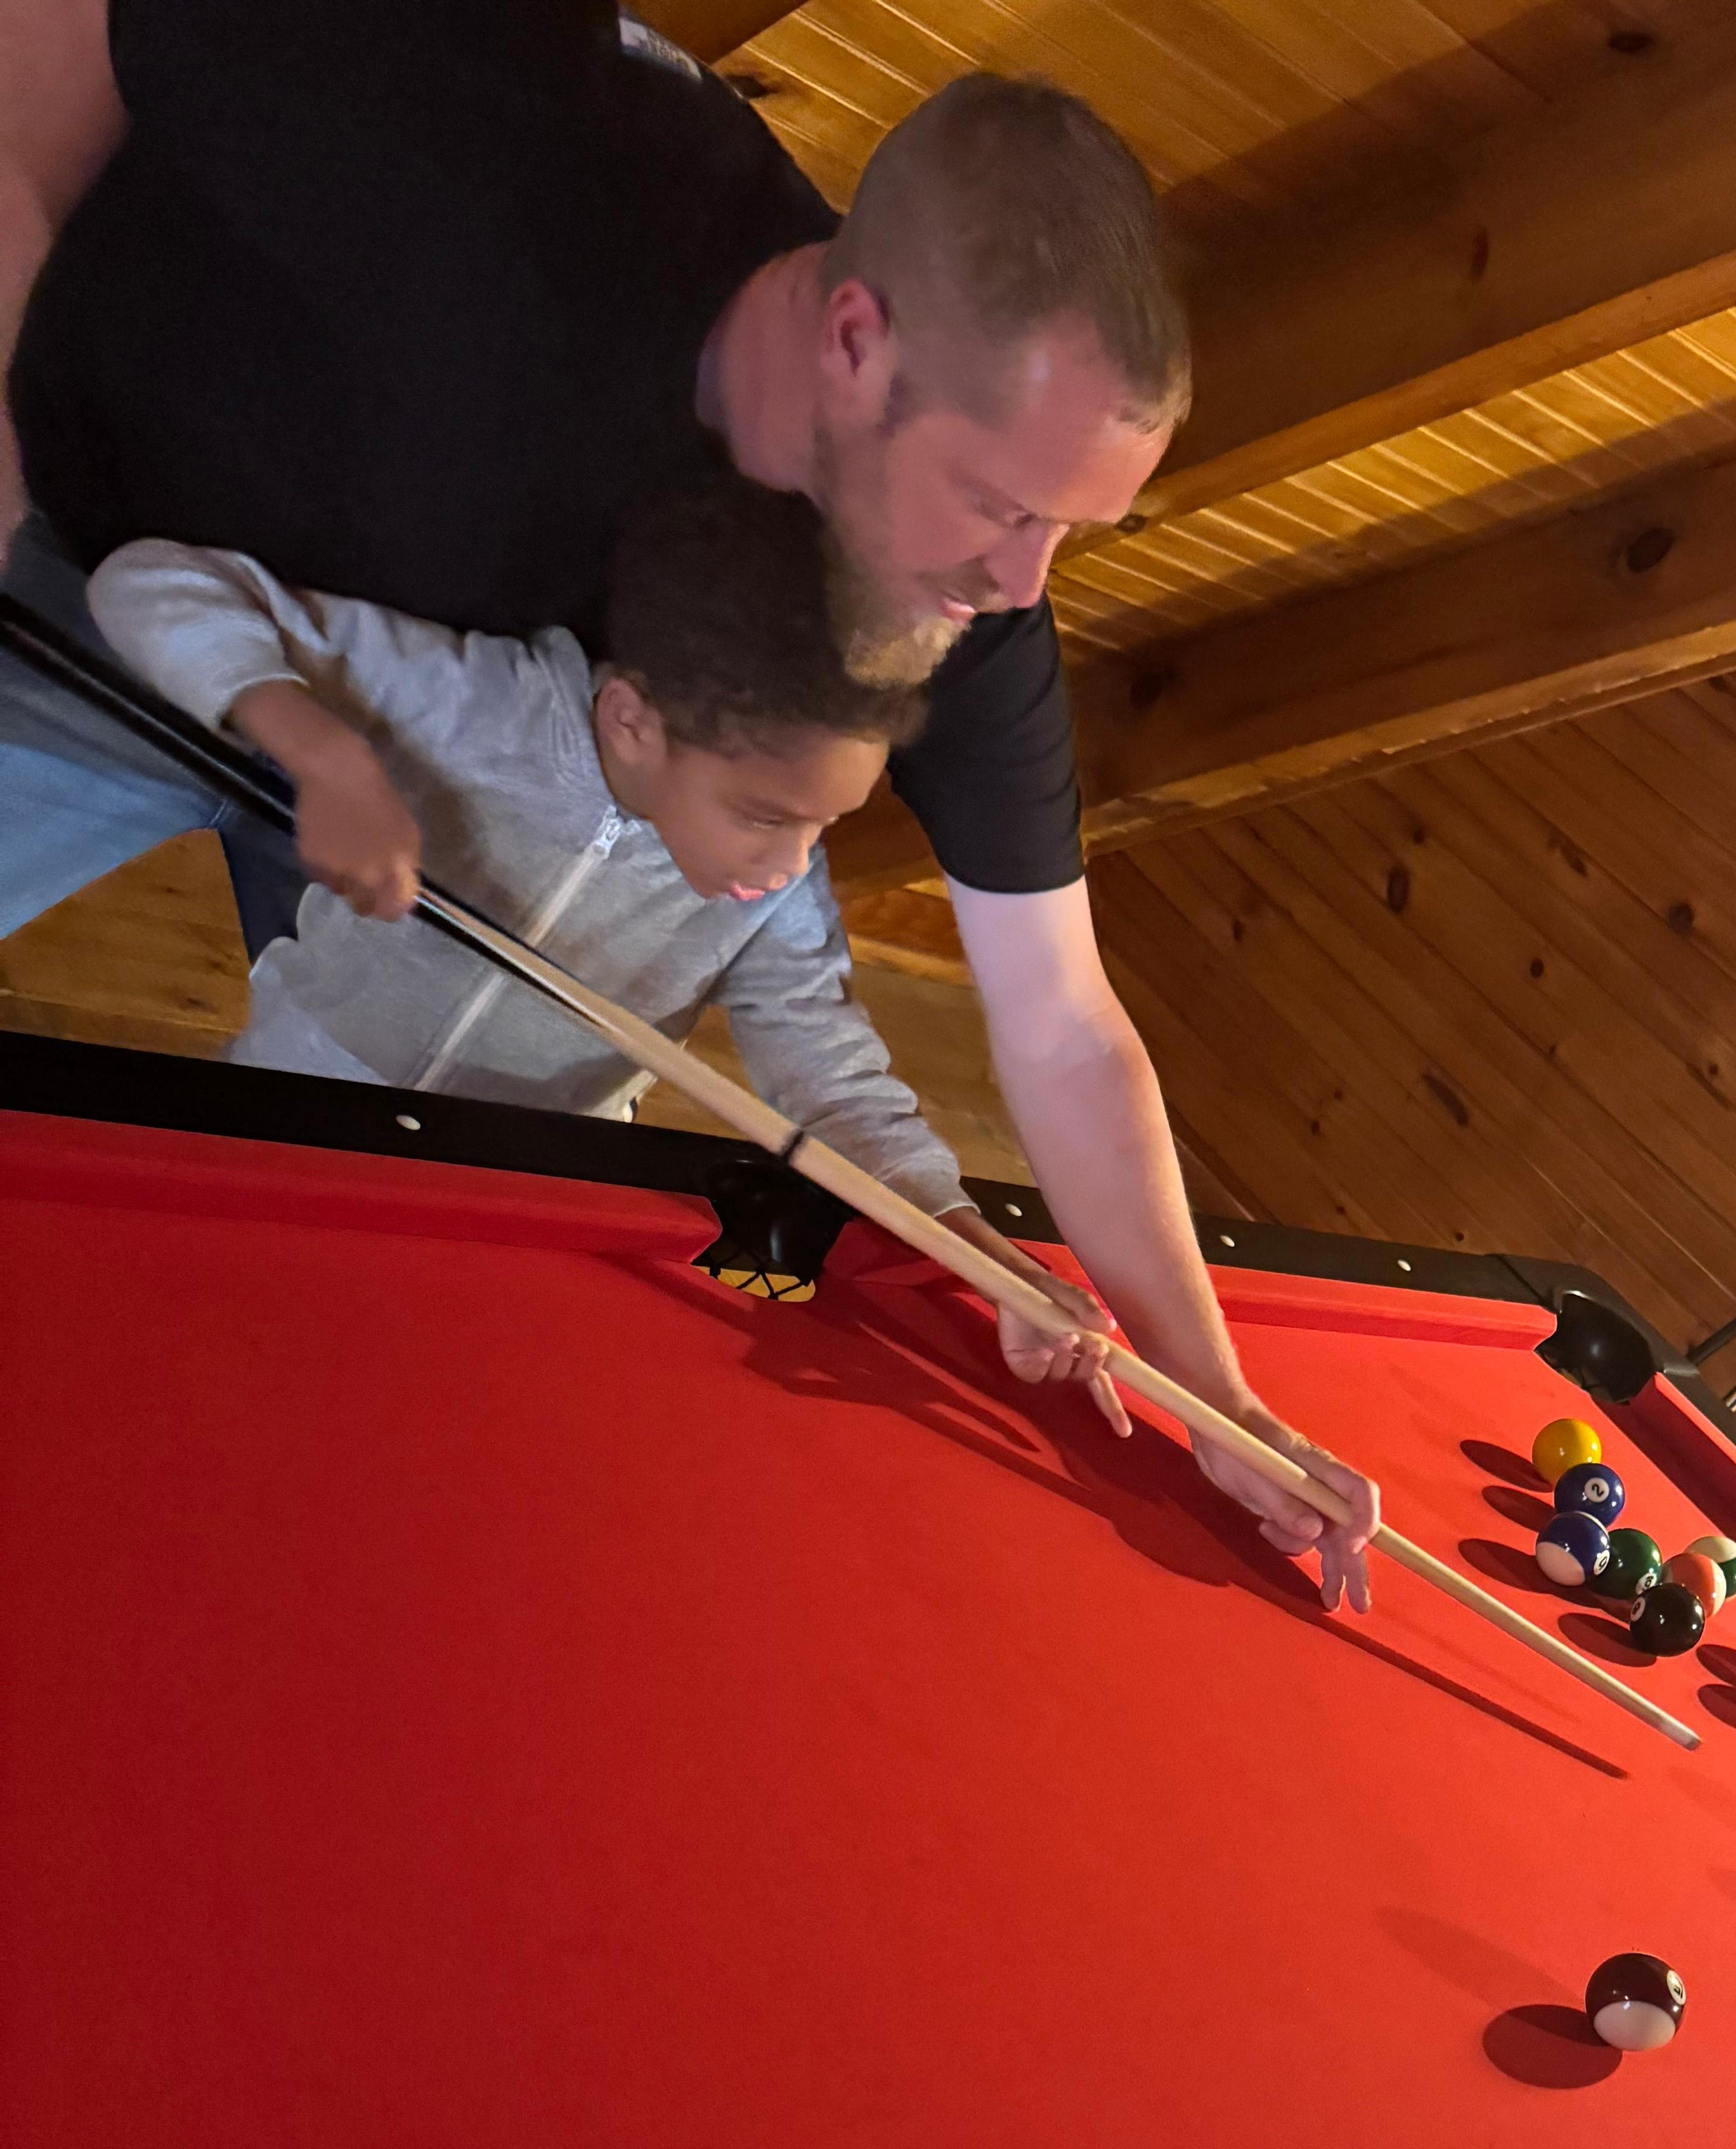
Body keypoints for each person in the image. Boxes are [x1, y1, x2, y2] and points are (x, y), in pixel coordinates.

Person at [0, 9, 1377, 1605]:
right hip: (120, 575)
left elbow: (1059, 1023)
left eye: (1068, 531)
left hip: (449, 760)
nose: (1019, 584)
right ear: (854, 343)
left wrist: (1217, 1394)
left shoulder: (944, 605)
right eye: (1003, 504)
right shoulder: (528, 136)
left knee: (396, 1281)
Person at [85, 477, 1129, 1419]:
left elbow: (839, 1095)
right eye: (763, 813)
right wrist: (324, 751)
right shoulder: (479, 701)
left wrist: (973, 1246)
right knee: (197, 1360)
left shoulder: (779, 890)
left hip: (531, 1186)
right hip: (294, 1096)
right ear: (632, 720)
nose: (791, 862)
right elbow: (150, 582)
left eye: (827, 825)